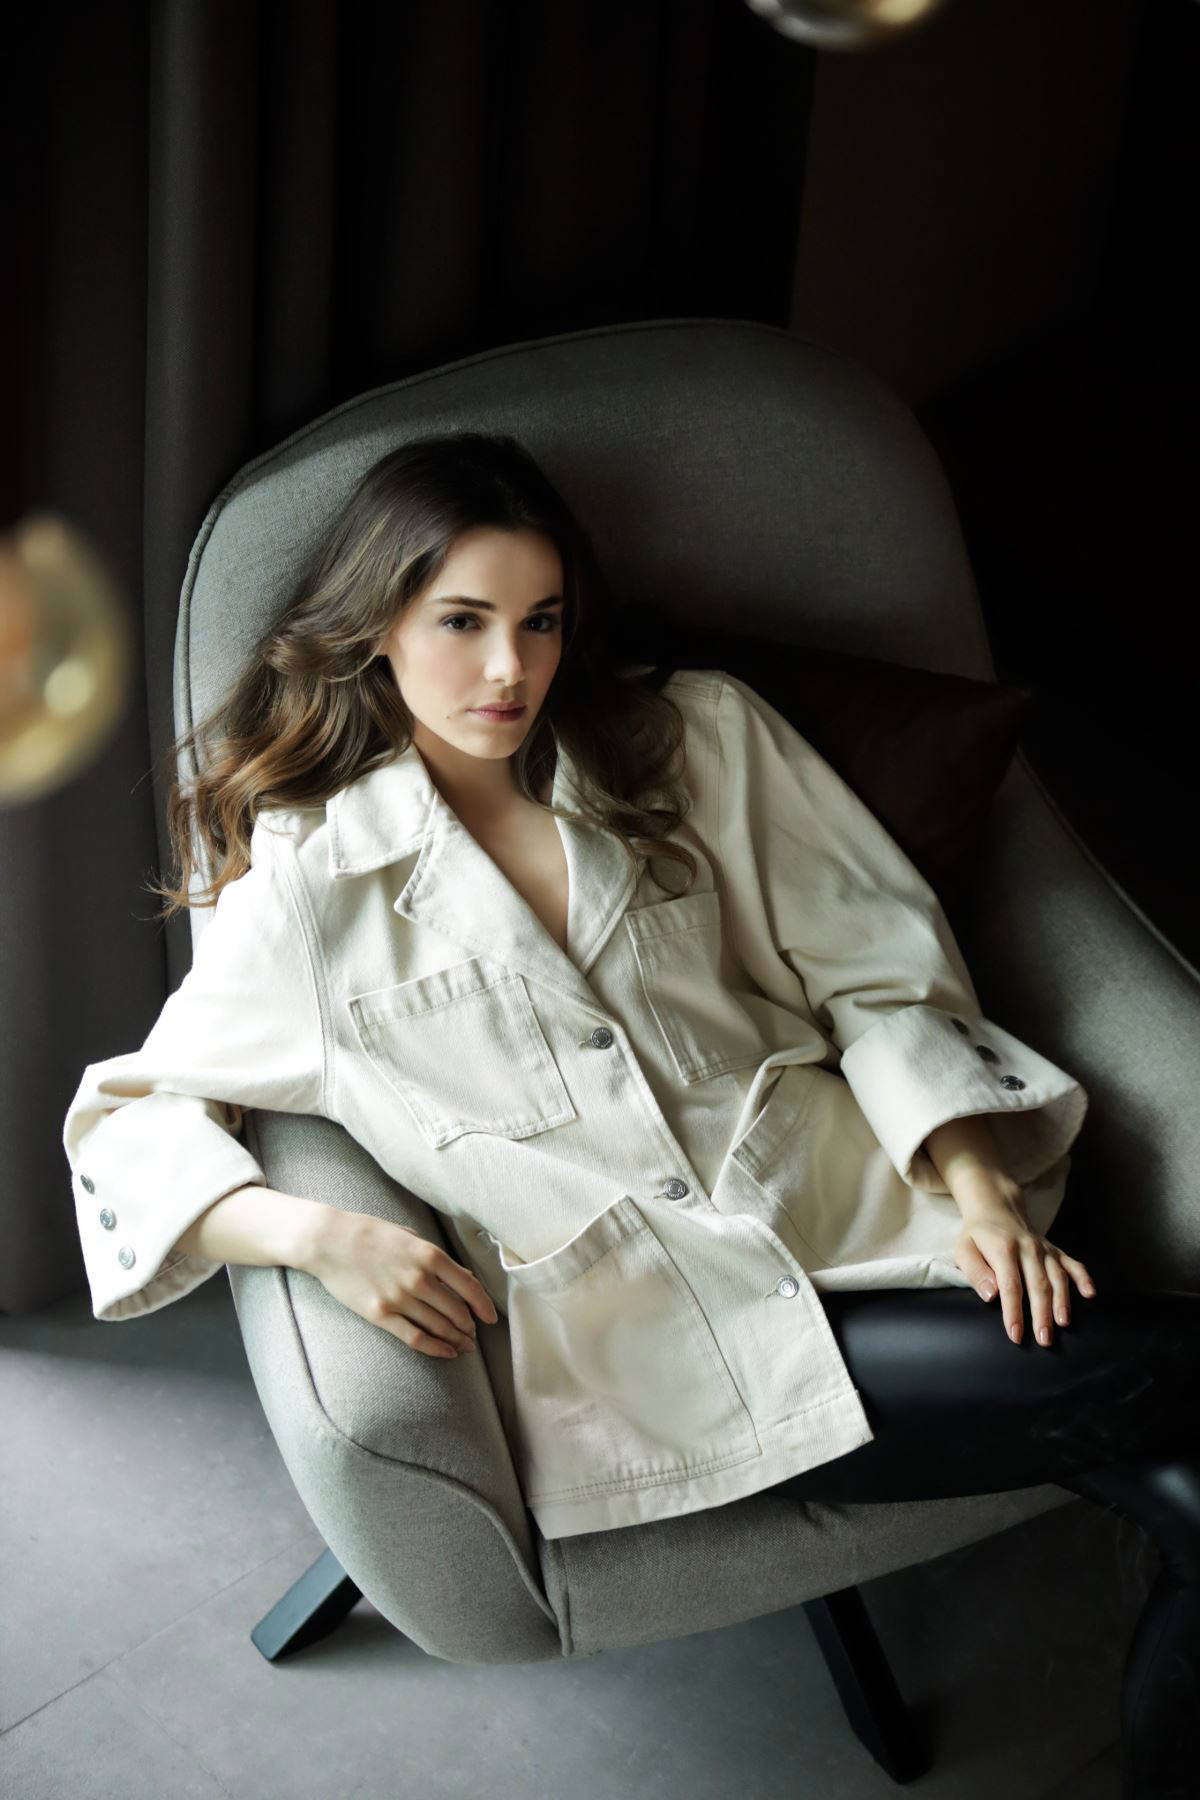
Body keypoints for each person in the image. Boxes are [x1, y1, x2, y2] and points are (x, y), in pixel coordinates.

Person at [63, 431, 1199, 1798]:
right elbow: (124, 1120)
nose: (509, 669)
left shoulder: (693, 738)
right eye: (463, 622)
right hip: (673, 1344)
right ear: (376, 631)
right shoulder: (318, 889)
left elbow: (878, 971)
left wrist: (981, 1191)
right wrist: (315, 1236)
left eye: (540, 622)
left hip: (874, 1222)